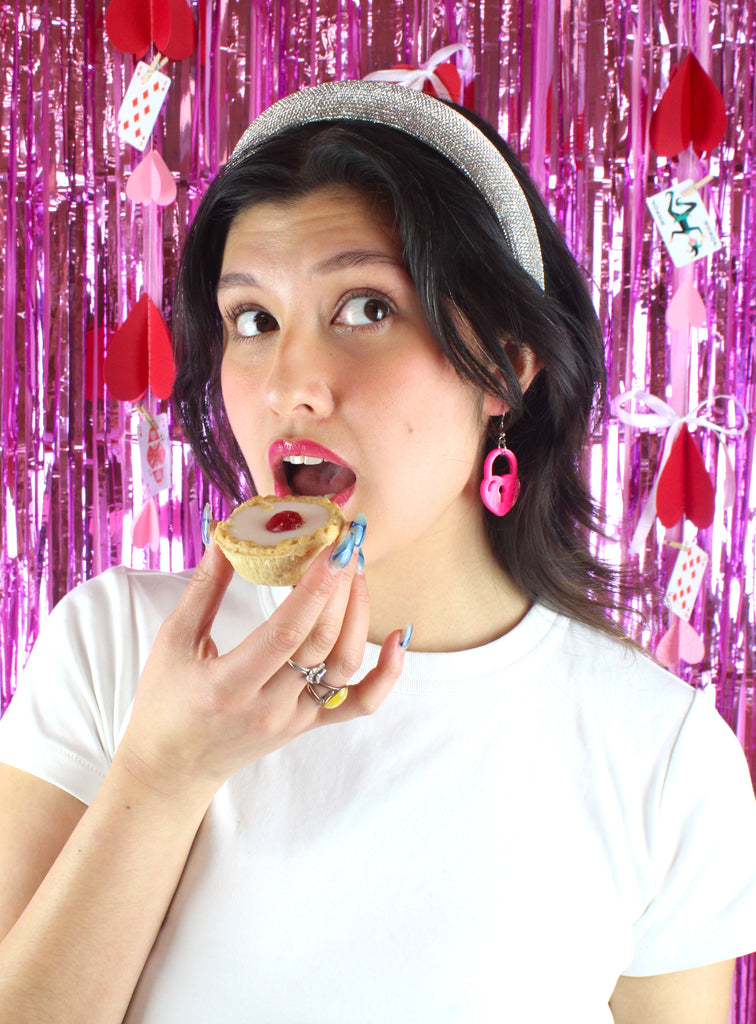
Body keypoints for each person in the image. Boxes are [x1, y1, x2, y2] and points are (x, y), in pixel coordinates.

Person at [0, 79, 754, 1024]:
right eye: (253, 320)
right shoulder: (117, 647)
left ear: (507, 366)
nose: (292, 388)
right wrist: (165, 772)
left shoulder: (661, 753)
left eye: (365, 308)